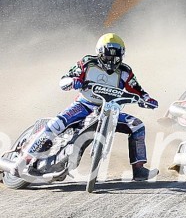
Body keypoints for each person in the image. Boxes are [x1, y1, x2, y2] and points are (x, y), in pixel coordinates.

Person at [26, 33, 160, 181]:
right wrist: (73, 81)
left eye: (115, 57)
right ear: (99, 53)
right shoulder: (87, 63)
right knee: (56, 124)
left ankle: (139, 169)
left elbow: (138, 90)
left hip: (110, 110)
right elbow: (64, 80)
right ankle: (29, 159)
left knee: (137, 125)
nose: (111, 61)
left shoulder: (125, 72)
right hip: (83, 105)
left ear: (122, 56)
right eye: (108, 57)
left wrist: (147, 99)